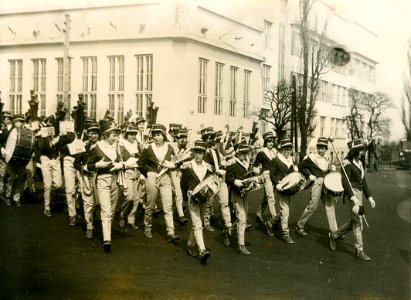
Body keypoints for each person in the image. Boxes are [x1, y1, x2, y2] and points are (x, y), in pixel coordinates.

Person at [329, 139, 376, 261]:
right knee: (358, 221)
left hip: (359, 193)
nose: (362, 152)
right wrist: (352, 197)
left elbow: (363, 182)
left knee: (354, 220)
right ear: (354, 151)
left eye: (363, 150)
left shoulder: (360, 163)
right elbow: (345, 182)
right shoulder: (347, 164)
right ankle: (359, 250)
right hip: (351, 194)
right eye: (360, 150)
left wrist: (369, 197)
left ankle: (335, 235)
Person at [137, 123, 180, 242]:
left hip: (165, 178)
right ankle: (147, 227)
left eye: (159, 135)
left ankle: (171, 231)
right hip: (152, 177)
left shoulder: (170, 148)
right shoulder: (148, 148)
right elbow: (140, 164)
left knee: (168, 205)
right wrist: (149, 173)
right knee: (150, 204)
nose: (156, 137)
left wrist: (173, 165)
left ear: (164, 136)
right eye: (154, 135)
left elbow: (178, 162)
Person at [86, 121, 124, 252]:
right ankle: (107, 239)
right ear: (106, 134)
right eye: (114, 135)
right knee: (106, 210)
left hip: (115, 180)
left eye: (117, 135)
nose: (116, 137)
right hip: (102, 180)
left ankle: (104, 225)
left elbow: (122, 162)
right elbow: (87, 166)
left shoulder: (116, 147)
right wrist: (97, 165)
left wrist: (121, 165)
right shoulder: (96, 148)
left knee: (112, 210)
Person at [295, 137, 338, 236]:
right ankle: (299, 225)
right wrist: (310, 175)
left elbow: (327, 172)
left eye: (323, 148)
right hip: (317, 184)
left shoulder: (327, 158)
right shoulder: (311, 157)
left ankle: (335, 231)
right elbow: (301, 166)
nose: (320, 150)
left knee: (330, 206)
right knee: (313, 206)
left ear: (326, 149)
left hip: (326, 185)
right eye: (319, 147)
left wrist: (332, 169)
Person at [180, 140, 212, 263]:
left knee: (198, 223)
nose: (197, 155)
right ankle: (202, 250)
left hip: (204, 198)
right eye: (196, 152)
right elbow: (183, 184)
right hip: (192, 198)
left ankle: (189, 244)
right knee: (198, 223)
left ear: (204, 154)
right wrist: (184, 198)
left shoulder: (208, 167)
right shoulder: (188, 166)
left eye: (200, 153)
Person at [265, 138, 298, 244]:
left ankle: (270, 223)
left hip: (289, 188)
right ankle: (285, 234)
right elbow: (272, 174)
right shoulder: (275, 159)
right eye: (286, 149)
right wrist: (277, 184)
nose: (288, 151)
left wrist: (296, 171)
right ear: (281, 149)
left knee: (286, 210)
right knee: (285, 210)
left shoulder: (291, 160)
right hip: (280, 187)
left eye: (289, 149)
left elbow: (292, 174)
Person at [202, 127, 233, 237]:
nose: (220, 142)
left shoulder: (217, 151)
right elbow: (206, 166)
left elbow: (223, 161)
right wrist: (218, 170)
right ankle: (206, 221)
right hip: (211, 180)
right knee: (209, 202)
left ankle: (228, 224)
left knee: (224, 202)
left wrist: (227, 162)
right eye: (218, 140)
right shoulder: (207, 151)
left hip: (221, 179)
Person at [74, 121, 100, 239]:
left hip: (100, 178)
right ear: (88, 134)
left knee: (98, 203)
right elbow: (76, 163)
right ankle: (89, 226)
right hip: (87, 177)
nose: (93, 136)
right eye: (91, 133)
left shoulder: (102, 147)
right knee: (88, 202)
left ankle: (92, 220)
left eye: (95, 133)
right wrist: (83, 169)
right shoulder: (84, 146)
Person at [226, 143, 253, 255]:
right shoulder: (232, 162)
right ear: (239, 153)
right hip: (235, 193)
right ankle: (241, 245)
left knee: (243, 218)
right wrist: (234, 181)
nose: (247, 156)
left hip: (244, 193)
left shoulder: (245, 163)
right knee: (242, 219)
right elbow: (227, 178)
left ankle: (228, 231)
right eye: (245, 154)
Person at [35, 118, 62, 217]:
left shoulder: (58, 135)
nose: (50, 126)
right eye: (48, 124)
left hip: (55, 159)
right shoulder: (41, 135)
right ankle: (47, 207)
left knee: (58, 184)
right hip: (45, 159)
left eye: (52, 124)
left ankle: (52, 197)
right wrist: (52, 142)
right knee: (47, 185)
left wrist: (59, 138)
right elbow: (41, 148)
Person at [1, 114, 31, 206]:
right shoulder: (8, 131)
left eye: (22, 122)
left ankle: (16, 198)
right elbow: (1, 141)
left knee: (20, 178)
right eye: (20, 122)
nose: (22, 123)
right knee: (12, 177)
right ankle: (7, 196)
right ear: (15, 122)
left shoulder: (25, 132)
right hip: (10, 158)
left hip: (20, 157)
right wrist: (1, 148)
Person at [118, 124, 142, 230]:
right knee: (129, 197)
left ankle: (131, 220)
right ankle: (122, 215)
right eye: (131, 134)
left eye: (134, 134)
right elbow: (121, 160)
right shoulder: (122, 145)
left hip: (137, 172)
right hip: (127, 172)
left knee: (136, 198)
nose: (133, 136)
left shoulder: (137, 144)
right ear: (126, 135)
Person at [253, 131, 277, 224]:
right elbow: (255, 166)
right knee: (271, 197)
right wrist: (260, 174)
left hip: (274, 176)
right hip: (266, 176)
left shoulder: (275, 151)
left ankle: (259, 213)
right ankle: (274, 218)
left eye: (272, 141)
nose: (271, 143)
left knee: (267, 197)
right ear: (265, 142)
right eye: (269, 141)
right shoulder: (262, 152)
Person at [170, 127, 190, 225]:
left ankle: (174, 211)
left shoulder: (188, 150)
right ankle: (181, 216)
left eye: (184, 137)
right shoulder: (172, 148)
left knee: (181, 195)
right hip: (173, 172)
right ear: (176, 139)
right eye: (180, 138)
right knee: (178, 194)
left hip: (184, 174)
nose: (183, 140)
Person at [0, 111, 13, 205]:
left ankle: (7, 195)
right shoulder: (1, 128)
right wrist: (1, 148)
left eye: (8, 118)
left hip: (12, 154)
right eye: (4, 118)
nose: (6, 120)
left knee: (10, 176)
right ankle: (1, 193)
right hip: (2, 154)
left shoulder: (14, 129)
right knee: (2, 174)